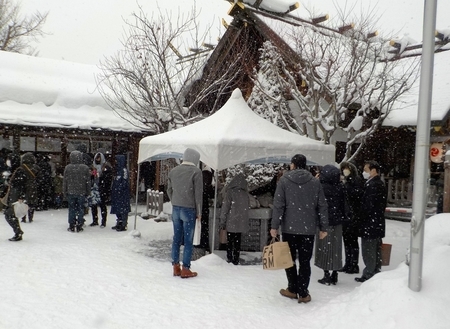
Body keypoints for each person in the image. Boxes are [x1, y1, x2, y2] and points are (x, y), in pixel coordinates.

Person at [270, 154, 328, 303]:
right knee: (305, 261)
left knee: (288, 260)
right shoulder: (315, 183)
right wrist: (323, 227)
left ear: (293, 165)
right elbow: (322, 205)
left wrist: (274, 226)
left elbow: (279, 205)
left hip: (289, 227)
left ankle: (292, 288)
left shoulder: (284, 181)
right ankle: (303, 293)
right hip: (308, 229)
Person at [167, 148, 203, 279]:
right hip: (189, 209)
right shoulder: (196, 172)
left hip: (176, 208)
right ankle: (186, 268)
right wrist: (199, 212)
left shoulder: (173, 171)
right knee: (188, 240)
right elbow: (198, 195)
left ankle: (175, 266)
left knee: (176, 238)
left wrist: (174, 201)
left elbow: (169, 190)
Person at [355, 160, 387, 283]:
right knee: (375, 249)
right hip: (375, 223)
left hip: (370, 223)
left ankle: (369, 273)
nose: (364, 172)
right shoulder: (377, 184)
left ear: (373, 170)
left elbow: (368, 206)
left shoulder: (373, 185)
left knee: (369, 250)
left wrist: (360, 216)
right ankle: (375, 271)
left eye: (366, 170)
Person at [314, 165, 346, 286]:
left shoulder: (320, 187)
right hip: (337, 222)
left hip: (324, 222)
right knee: (336, 248)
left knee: (324, 248)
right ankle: (335, 273)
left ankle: (326, 273)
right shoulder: (340, 187)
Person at [2, 153, 38, 241]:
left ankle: (18, 232)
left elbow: (17, 183)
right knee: (15, 212)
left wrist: (20, 196)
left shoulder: (21, 169)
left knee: (9, 214)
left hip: (17, 195)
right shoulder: (36, 169)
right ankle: (19, 229)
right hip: (29, 195)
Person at [339, 161, 364, 274]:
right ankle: (348, 263)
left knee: (352, 241)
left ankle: (353, 264)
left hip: (353, 216)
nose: (345, 170)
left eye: (347, 168)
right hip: (347, 216)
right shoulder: (346, 182)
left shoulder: (356, 181)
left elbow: (357, 195)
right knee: (347, 241)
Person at [219, 173, 249, 265]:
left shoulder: (230, 192)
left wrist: (222, 221)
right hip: (241, 222)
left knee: (230, 241)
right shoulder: (245, 194)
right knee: (237, 241)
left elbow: (225, 208)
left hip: (231, 221)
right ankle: (236, 258)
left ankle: (230, 257)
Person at [63, 151, 91, 232]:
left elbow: (65, 181)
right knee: (80, 208)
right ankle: (79, 224)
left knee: (72, 208)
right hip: (81, 191)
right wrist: (88, 191)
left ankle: (71, 224)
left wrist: (64, 191)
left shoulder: (68, 168)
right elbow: (88, 182)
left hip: (70, 191)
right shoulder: (85, 168)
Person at [195, 165, 214, 254]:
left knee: (199, 225)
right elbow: (210, 191)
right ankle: (204, 243)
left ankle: (198, 242)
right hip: (204, 205)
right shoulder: (208, 175)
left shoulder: (200, 175)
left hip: (199, 205)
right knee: (205, 226)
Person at [90, 152, 112, 227]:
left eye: (99, 158)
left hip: (103, 188)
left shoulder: (106, 167)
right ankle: (95, 220)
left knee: (102, 205)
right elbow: (91, 177)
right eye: (96, 158)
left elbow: (108, 179)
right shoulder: (93, 167)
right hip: (94, 188)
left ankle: (103, 221)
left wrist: (102, 177)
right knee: (94, 205)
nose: (97, 159)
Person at [110, 154, 131, 231]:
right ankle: (119, 221)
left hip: (123, 194)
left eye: (116, 160)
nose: (115, 162)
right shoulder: (117, 170)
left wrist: (119, 189)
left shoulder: (124, 170)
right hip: (116, 194)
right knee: (118, 209)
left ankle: (123, 224)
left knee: (123, 209)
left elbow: (125, 182)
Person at [19, 153, 40, 223]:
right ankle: (30, 216)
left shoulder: (22, 167)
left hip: (23, 185)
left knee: (24, 202)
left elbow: (18, 178)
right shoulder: (36, 167)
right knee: (31, 202)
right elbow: (39, 177)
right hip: (33, 186)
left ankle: (23, 217)